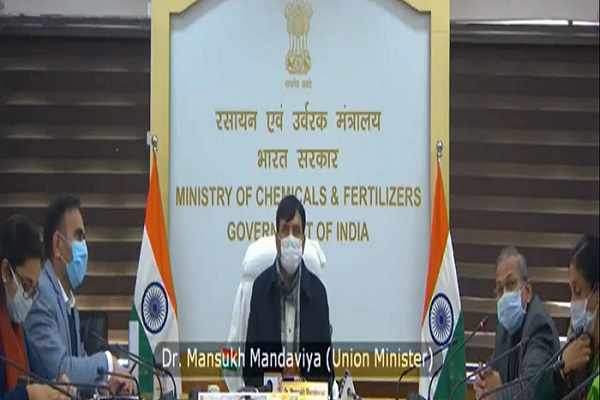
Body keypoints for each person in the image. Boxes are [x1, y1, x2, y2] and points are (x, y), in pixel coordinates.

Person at [23, 195, 135, 395]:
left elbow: (78, 365)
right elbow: (60, 369)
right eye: (79, 236)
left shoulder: (66, 298)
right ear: (58, 245)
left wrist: (106, 385)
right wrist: (108, 363)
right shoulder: (40, 294)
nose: (84, 246)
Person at [243, 195, 334, 389]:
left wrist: (302, 384)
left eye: (296, 231)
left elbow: (327, 374)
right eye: (285, 230)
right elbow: (250, 371)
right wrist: (276, 385)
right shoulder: (260, 290)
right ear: (277, 240)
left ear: (303, 242)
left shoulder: (318, 294)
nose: (291, 237)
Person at [0, 215, 74, 400]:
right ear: (5, 272)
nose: (29, 299)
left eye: (34, 290)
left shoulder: (17, 325)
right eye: (25, 286)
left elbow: (39, 375)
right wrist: (28, 395)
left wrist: (58, 385)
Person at [474, 246, 560, 400]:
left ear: (527, 291)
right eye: (500, 289)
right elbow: (494, 371)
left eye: (511, 284)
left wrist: (494, 394)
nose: (505, 295)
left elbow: (529, 389)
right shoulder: (504, 327)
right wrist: (482, 381)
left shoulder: (539, 326)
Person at [534, 234, 599, 400]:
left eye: (578, 291)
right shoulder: (578, 343)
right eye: (571, 292)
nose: (573, 302)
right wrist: (562, 370)